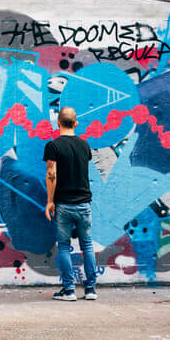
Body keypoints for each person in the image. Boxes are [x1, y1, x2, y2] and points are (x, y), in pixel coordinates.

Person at [44, 107, 97, 301]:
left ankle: (69, 290)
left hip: (64, 204)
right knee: (87, 245)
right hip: (84, 203)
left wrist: (50, 201)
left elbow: (52, 175)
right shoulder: (85, 146)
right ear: (76, 124)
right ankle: (90, 290)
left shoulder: (53, 146)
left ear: (58, 123)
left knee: (64, 246)